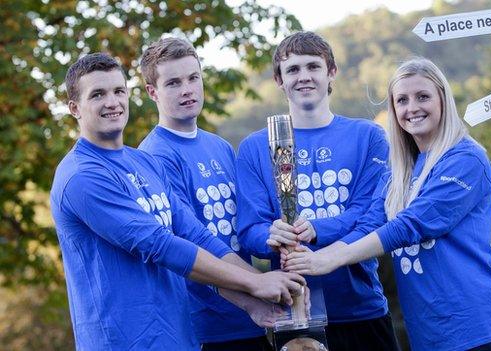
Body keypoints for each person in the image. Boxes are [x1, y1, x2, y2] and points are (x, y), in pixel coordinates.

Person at [50, 52, 305, 350]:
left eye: (118, 91)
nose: (112, 102)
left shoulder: (143, 163)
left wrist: (255, 295)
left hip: (178, 337)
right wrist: (254, 283)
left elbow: (195, 235)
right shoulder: (81, 176)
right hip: (122, 342)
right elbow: (159, 245)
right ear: (74, 108)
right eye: (97, 94)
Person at [283, 57, 491, 351]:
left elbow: (411, 225)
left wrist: (332, 259)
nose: (412, 108)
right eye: (402, 100)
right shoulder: (399, 172)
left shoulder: (466, 159)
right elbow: (371, 224)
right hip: (429, 334)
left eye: (423, 96)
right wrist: (311, 252)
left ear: (443, 100)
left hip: (480, 329)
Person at [235, 31, 400, 351]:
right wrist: (272, 235)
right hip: (295, 316)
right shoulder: (256, 146)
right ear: (279, 80)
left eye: (313, 66)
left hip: (362, 309)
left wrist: (317, 230)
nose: (304, 76)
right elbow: (249, 232)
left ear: (331, 72)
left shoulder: (368, 136)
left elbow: (371, 217)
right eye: (293, 69)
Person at [138, 37, 273, 351]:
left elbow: (245, 223)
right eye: (173, 83)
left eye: (192, 78)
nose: (187, 89)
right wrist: (255, 286)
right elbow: (188, 241)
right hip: (204, 328)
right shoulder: (154, 156)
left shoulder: (220, 146)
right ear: (152, 92)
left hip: (251, 315)